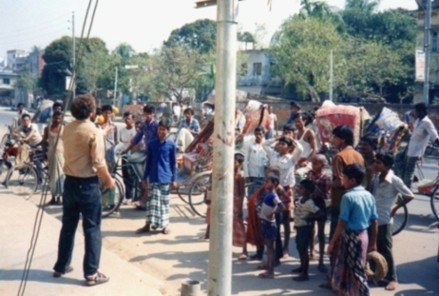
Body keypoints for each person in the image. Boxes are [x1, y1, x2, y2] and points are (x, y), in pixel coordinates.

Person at [53, 94, 114, 286]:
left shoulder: (68, 129)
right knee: (92, 228)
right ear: (92, 112)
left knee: (68, 227)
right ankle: (91, 273)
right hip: (87, 185)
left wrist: (101, 133)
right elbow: (98, 161)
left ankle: (61, 266)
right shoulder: (93, 132)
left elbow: (81, 139)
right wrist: (109, 180)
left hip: (70, 183)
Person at [327, 164, 378, 296]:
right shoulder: (369, 195)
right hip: (363, 236)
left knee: (356, 271)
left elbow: (342, 222)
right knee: (354, 267)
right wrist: (373, 242)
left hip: (352, 237)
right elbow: (374, 221)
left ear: (352, 180)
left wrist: (332, 242)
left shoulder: (347, 197)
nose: (342, 180)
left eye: (344, 177)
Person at [370, 152, 414, 291]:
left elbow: (409, 195)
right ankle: (376, 275)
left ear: (387, 166)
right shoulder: (376, 177)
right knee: (373, 247)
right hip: (372, 218)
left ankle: (393, 278)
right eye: (375, 162)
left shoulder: (395, 180)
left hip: (384, 219)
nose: (375, 165)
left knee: (386, 249)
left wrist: (395, 208)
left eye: (379, 163)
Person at [264, 136, 303, 258]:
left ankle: (285, 247)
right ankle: (273, 246)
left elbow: (300, 149)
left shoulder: (291, 158)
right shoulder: (273, 155)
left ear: (289, 147)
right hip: (273, 189)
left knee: (285, 220)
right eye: (279, 144)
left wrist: (292, 140)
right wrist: (276, 139)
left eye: (283, 144)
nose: (280, 146)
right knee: (272, 218)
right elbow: (265, 144)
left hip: (285, 189)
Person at [135, 119, 177, 235]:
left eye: (164, 129)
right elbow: (148, 162)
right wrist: (144, 178)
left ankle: (165, 226)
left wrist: (174, 179)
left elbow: (173, 163)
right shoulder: (152, 144)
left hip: (166, 177)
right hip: (153, 177)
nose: (161, 132)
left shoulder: (171, 145)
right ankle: (148, 225)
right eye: (160, 129)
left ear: (168, 131)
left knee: (164, 203)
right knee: (151, 203)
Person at [329, 125, 364, 239]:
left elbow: (340, 182)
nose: (333, 140)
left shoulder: (339, 157)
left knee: (337, 232)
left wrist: (326, 183)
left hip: (341, 200)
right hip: (357, 198)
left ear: (342, 139)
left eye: (335, 137)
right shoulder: (359, 155)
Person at [394, 103, 439, 188]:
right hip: (409, 148)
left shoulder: (427, 123)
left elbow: (435, 136)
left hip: (416, 151)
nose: (415, 113)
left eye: (417, 111)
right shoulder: (418, 121)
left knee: (408, 171)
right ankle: (403, 181)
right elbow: (413, 133)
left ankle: (406, 189)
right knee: (397, 158)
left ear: (421, 111)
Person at [292, 179, 322, 281]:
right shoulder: (301, 199)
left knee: (304, 250)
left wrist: (310, 218)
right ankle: (302, 267)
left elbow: (318, 213)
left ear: (308, 190)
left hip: (305, 228)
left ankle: (305, 273)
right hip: (299, 227)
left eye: (302, 188)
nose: (299, 189)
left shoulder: (309, 202)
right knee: (300, 248)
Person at [257, 173, 285, 279]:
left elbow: (282, 207)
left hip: (270, 225)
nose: (265, 183)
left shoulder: (274, 195)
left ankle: (270, 271)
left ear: (274, 183)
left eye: (268, 181)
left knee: (270, 249)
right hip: (266, 223)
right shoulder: (268, 194)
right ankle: (269, 269)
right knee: (268, 248)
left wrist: (273, 212)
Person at [307, 154, 331, 272]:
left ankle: (321, 259)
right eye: (312, 163)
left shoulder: (326, 178)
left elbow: (327, 195)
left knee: (321, 233)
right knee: (311, 230)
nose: (313, 165)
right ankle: (311, 252)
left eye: (316, 163)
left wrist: (317, 191)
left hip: (321, 206)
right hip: (310, 205)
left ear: (322, 165)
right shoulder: (310, 174)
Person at [42, 111, 65, 205]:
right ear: (52, 118)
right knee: (52, 175)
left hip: (61, 154)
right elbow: (44, 141)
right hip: (51, 153)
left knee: (60, 175)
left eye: (59, 118)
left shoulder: (64, 129)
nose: (57, 120)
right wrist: (43, 153)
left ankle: (59, 197)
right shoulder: (47, 128)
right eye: (56, 118)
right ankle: (53, 197)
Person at [118, 112, 137, 204]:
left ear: (132, 119)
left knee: (132, 176)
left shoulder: (135, 130)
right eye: (125, 118)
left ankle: (133, 196)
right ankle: (128, 195)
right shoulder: (122, 130)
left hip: (133, 155)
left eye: (129, 118)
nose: (127, 120)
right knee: (125, 175)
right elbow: (121, 142)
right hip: (124, 154)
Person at [244, 126, 268, 198]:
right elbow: (245, 161)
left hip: (262, 175)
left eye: (260, 134)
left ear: (263, 134)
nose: (258, 136)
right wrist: (247, 175)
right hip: (252, 175)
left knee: (260, 196)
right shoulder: (250, 145)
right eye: (256, 134)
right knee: (251, 196)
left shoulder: (266, 145)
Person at [232, 153, 248, 260]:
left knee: (240, 227)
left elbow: (242, 193)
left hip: (237, 203)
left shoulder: (240, 176)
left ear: (239, 164)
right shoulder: (230, 173)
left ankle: (245, 250)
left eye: (235, 162)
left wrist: (241, 206)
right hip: (230, 202)